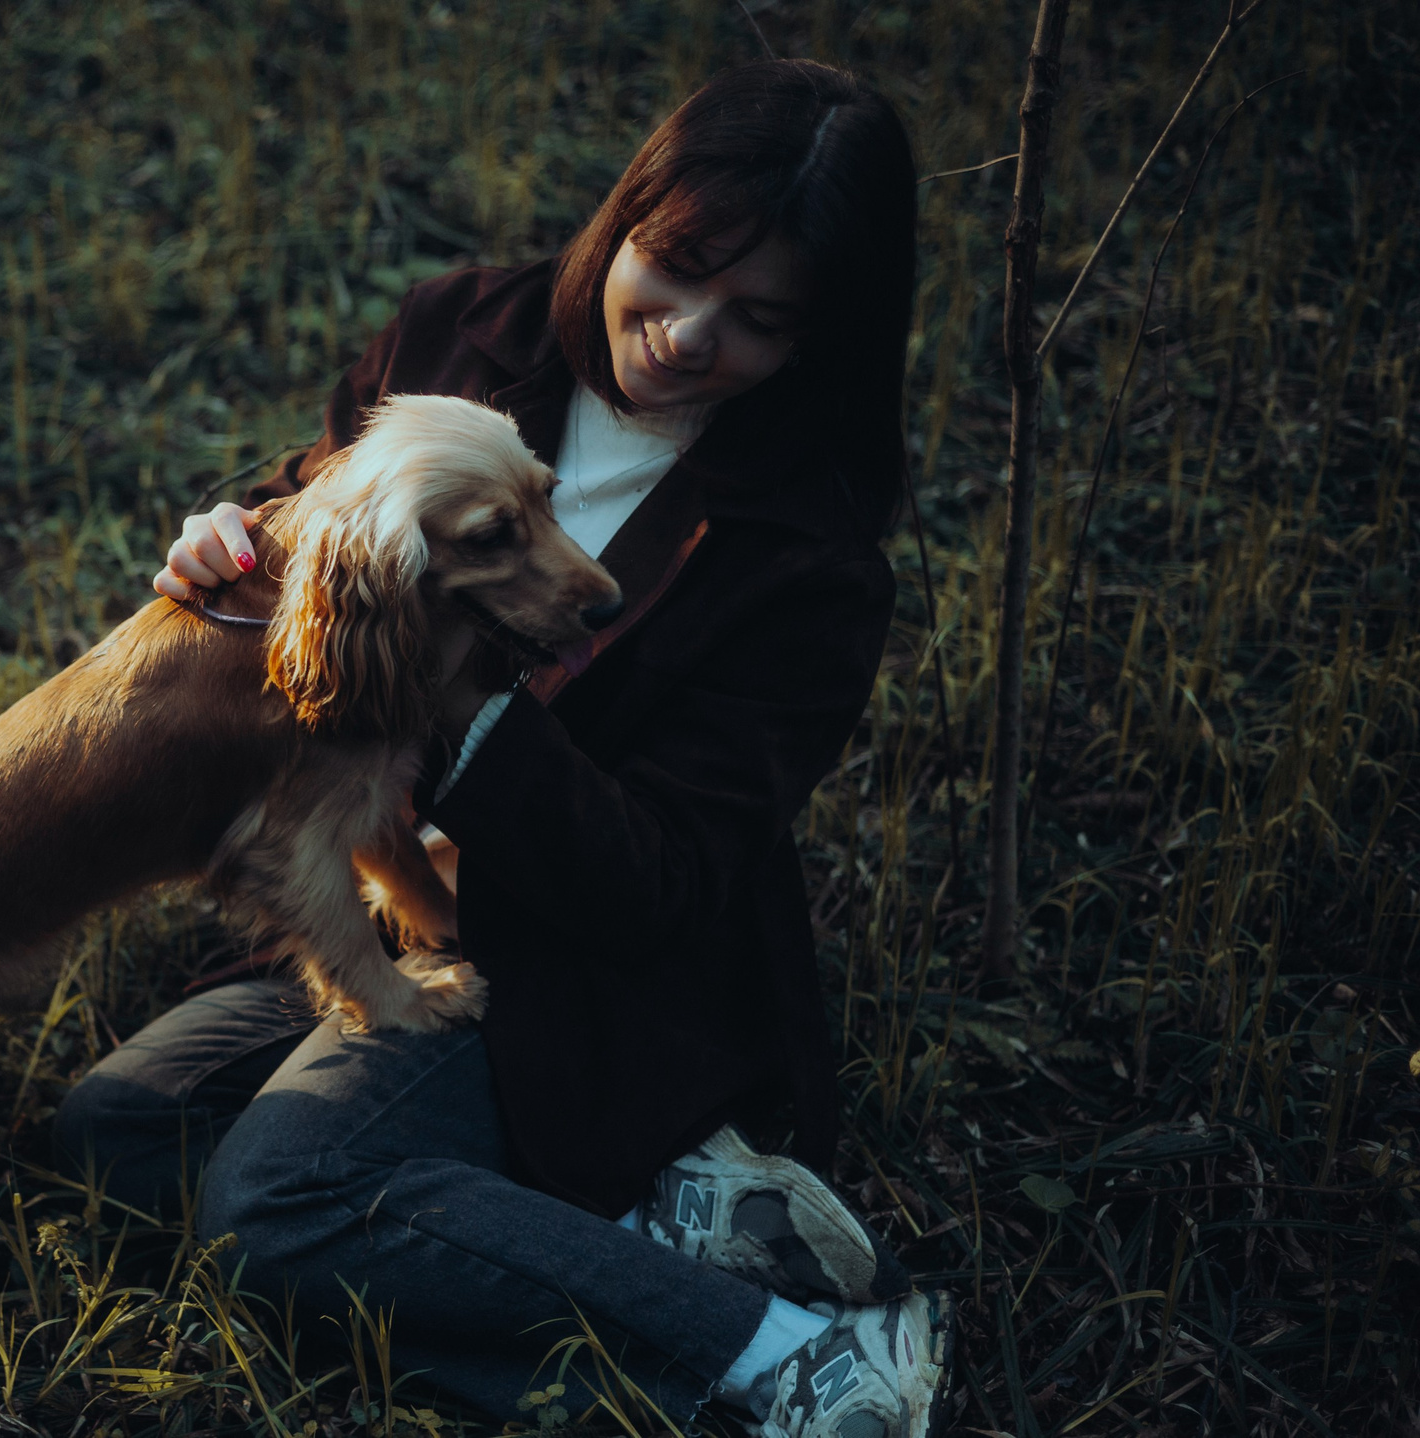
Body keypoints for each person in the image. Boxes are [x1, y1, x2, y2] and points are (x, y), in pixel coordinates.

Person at [52, 60, 951, 1438]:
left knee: (277, 1199)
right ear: (627, 215)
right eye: (674, 267)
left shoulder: (808, 559)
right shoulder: (465, 332)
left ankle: (794, 1349)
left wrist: (451, 703)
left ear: (821, 335)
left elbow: (665, 879)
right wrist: (230, 548)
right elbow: (316, 508)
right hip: (388, 903)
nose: (687, 335)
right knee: (119, 1129)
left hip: (581, 964)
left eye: (760, 319)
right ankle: (629, 1219)